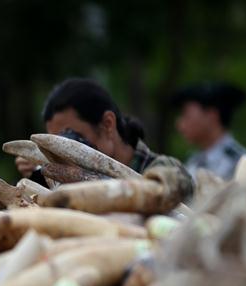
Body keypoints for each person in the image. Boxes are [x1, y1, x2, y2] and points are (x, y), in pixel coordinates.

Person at [18, 78, 193, 198]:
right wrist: (41, 175)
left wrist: (83, 180)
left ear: (108, 124)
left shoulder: (165, 171)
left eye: (69, 139)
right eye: (53, 143)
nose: (61, 151)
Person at [172, 81, 246, 180]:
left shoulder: (241, 163)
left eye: (186, 115)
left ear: (212, 116)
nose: (179, 124)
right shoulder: (193, 162)